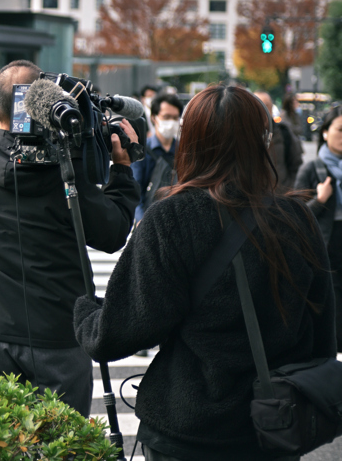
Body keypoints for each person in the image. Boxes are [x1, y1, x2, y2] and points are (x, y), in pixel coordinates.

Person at [73, 85, 334, 461]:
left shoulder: (170, 218)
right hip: (273, 424)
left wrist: (85, 312)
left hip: (186, 429)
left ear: (192, 141)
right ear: (262, 142)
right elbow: (322, 333)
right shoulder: (297, 219)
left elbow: (119, 332)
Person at [0, 60, 138, 417]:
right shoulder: (66, 175)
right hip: (60, 336)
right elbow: (113, 233)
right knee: (62, 445)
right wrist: (122, 171)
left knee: (3, 444)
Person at [295, 104, 342, 351]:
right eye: (340, 130)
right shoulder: (312, 169)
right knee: (331, 300)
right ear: (325, 132)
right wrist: (320, 200)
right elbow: (296, 215)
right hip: (325, 244)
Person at [132, 92, 184, 223]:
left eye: (175, 118)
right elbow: (136, 191)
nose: (171, 122)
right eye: (166, 117)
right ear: (154, 118)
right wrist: (141, 222)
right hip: (149, 219)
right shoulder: (142, 150)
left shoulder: (183, 150)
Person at [254, 91, 302, 192]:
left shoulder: (284, 132)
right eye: (257, 104)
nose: (262, 109)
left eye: (266, 105)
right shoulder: (243, 135)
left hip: (281, 197)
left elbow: (296, 164)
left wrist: (289, 189)